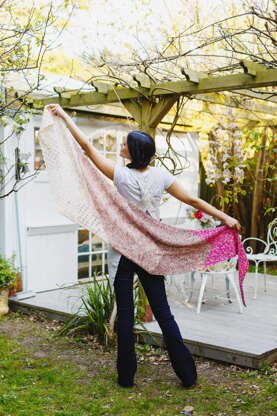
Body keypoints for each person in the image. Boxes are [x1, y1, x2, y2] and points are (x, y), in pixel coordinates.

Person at [48, 103, 241, 389]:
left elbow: (87, 147)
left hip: (126, 251)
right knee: (163, 313)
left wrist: (64, 117)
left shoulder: (121, 175)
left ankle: (126, 378)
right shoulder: (161, 176)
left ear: (133, 151)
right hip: (152, 251)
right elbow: (193, 201)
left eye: (124, 144)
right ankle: (187, 376)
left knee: (126, 315)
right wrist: (224, 216)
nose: (121, 145)